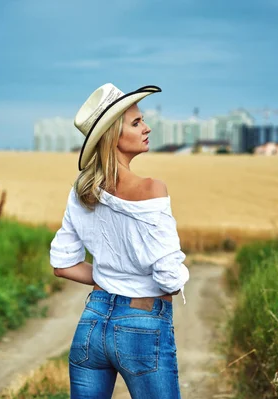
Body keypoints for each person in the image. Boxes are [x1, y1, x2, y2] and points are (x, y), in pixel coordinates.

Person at [49, 83, 190, 399]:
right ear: (113, 135)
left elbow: (62, 265)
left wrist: (106, 280)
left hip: (92, 322)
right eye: (137, 122)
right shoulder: (153, 189)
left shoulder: (81, 192)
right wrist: (176, 278)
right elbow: (170, 280)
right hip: (143, 325)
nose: (147, 127)